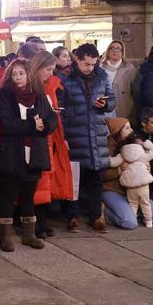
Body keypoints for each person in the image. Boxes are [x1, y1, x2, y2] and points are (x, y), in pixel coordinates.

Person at [0, 59, 57, 251]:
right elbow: (4, 124)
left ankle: (29, 234)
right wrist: (30, 125)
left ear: (28, 74)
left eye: (21, 73)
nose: (18, 77)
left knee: (29, 195)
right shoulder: (3, 96)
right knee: (8, 195)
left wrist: (44, 125)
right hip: (12, 152)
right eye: (14, 74)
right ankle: (6, 236)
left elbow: (51, 119)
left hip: (34, 152)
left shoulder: (39, 95)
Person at [59, 43, 114, 232]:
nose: (90, 68)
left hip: (96, 133)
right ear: (77, 60)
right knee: (74, 179)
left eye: (93, 64)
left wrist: (104, 105)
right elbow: (60, 109)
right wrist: (63, 135)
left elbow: (112, 100)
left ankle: (95, 217)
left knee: (96, 179)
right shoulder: (66, 79)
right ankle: (72, 216)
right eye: (86, 64)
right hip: (75, 133)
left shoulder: (102, 77)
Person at [29, 52, 73, 239]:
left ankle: (42, 221)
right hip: (35, 137)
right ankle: (35, 223)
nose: (50, 73)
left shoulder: (53, 85)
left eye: (51, 70)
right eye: (47, 69)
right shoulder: (31, 87)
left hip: (51, 136)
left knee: (46, 180)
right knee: (37, 181)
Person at [111, 118, 153, 229]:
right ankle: (147, 222)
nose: (131, 130)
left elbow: (111, 162)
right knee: (144, 206)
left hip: (129, 186)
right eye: (127, 128)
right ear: (118, 132)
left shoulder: (122, 153)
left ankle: (134, 217)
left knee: (134, 205)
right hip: (116, 189)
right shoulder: (141, 153)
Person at [101, 41, 137, 119]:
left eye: (118, 48)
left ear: (122, 52)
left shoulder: (129, 68)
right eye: (112, 48)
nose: (115, 50)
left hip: (124, 107)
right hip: (105, 108)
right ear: (108, 51)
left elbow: (135, 90)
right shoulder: (100, 68)